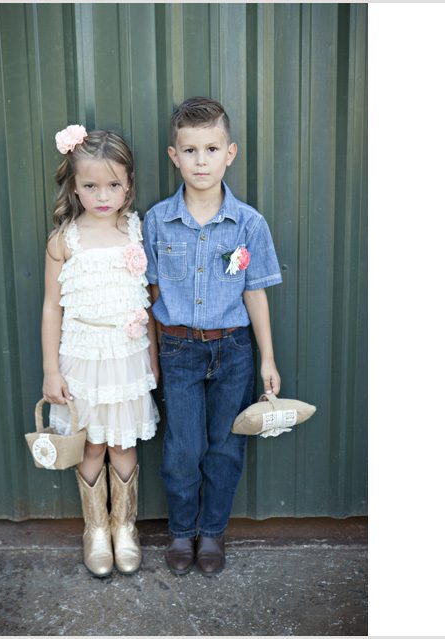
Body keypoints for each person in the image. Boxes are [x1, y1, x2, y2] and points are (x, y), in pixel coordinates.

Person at [142, 97, 283, 577]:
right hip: (179, 349)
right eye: (190, 150)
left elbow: (256, 294)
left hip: (234, 350)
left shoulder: (249, 224)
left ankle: (211, 533)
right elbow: (154, 292)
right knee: (183, 448)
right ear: (173, 155)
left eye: (211, 148)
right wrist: (155, 354)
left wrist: (268, 358)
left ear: (231, 153)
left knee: (224, 447)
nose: (200, 161)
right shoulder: (158, 222)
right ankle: (182, 531)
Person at [41, 124, 160, 578]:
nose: (103, 194)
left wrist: (151, 361)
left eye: (114, 184)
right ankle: (95, 530)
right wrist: (52, 369)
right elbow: (52, 307)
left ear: (129, 183)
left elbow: (148, 298)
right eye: (91, 185)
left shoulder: (136, 230)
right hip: (83, 357)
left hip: (127, 355)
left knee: (124, 445)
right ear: (74, 185)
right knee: (92, 445)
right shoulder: (64, 240)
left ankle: (124, 527)